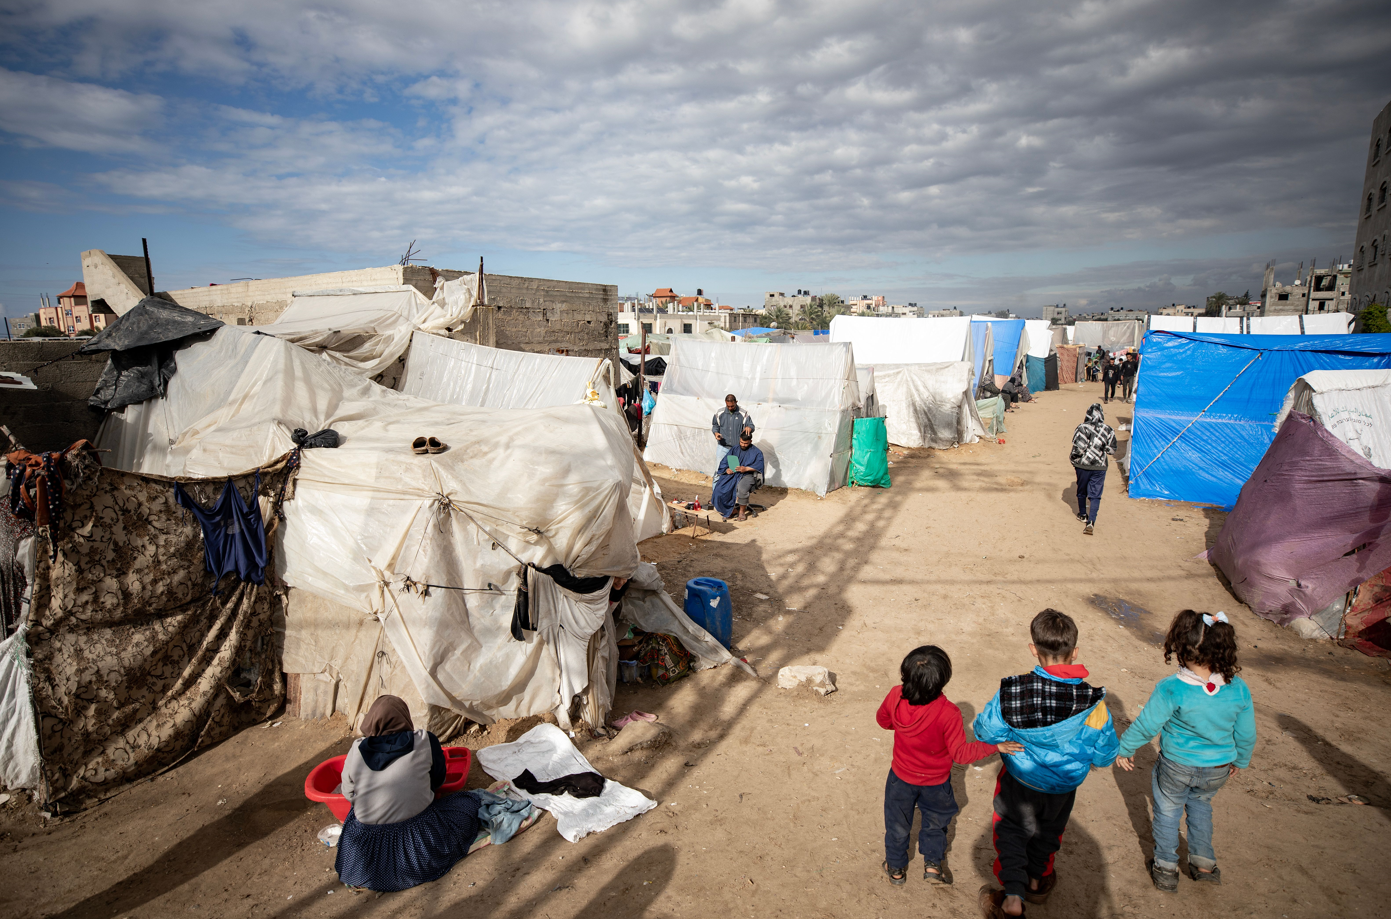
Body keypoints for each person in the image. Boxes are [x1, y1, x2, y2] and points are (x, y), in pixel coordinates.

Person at [973, 610, 1119, 918]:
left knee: (1012, 830)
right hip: (1064, 786)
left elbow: (985, 731)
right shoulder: (1094, 703)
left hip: (1020, 778)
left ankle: (1012, 898)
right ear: (1074, 652)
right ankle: (1037, 883)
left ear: (1033, 649)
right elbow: (1105, 755)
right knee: (1050, 831)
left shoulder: (1013, 693)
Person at [1115, 610, 1256, 892]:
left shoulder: (1172, 688)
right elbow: (1246, 733)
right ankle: (1204, 864)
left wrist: (1125, 748)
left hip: (1176, 765)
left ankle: (1166, 868)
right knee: (1201, 806)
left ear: (1181, 648)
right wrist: (1240, 760)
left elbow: (1147, 725)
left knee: (1167, 812)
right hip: (1218, 769)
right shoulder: (1238, 688)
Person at [335, 696, 528, 891]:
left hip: (366, 855)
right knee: (469, 802)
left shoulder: (357, 749)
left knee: (354, 815)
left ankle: (376, 877)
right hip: (420, 844)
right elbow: (438, 781)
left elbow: (349, 793)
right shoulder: (424, 740)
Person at [877, 646, 1023, 887]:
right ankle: (933, 866)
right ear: (943, 680)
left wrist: (904, 731)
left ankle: (895, 868)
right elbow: (961, 754)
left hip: (900, 778)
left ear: (906, 674)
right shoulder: (949, 713)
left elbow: (883, 721)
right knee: (935, 823)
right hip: (936, 783)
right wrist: (995, 746)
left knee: (897, 823)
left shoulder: (895, 695)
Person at [1070, 404, 1116, 535]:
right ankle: (1091, 521)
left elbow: (1078, 448)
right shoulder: (1109, 429)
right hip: (1100, 466)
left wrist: (1073, 459)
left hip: (1083, 465)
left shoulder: (1082, 428)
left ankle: (1083, 514)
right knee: (1095, 494)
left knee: (1081, 490)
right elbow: (1112, 450)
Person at [712, 431, 764, 521]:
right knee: (719, 488)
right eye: (741, 442)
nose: (743, 445)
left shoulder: (757, 452)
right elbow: (725, 461)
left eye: (746, 443)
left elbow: (759, 466)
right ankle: (732, 510)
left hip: (748, 475)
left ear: (750, 441)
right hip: (734, 473)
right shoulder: (735, 448)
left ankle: (742, 512)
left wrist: (746, 469)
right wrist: (727, 469)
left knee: (742, 489)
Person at [711, 393, 754, 477]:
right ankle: (716, 490)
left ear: (736, 402)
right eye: (728, 406)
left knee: (735, 471)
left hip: (737, 449)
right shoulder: (720, 412)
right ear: (725, 402)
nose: (730, 408)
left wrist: (749, 427)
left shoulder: (743, 413)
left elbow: (751, 425)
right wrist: (716, 433)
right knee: (719, 472)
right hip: (722, 447)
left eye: (732, 406)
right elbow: (715, 425)